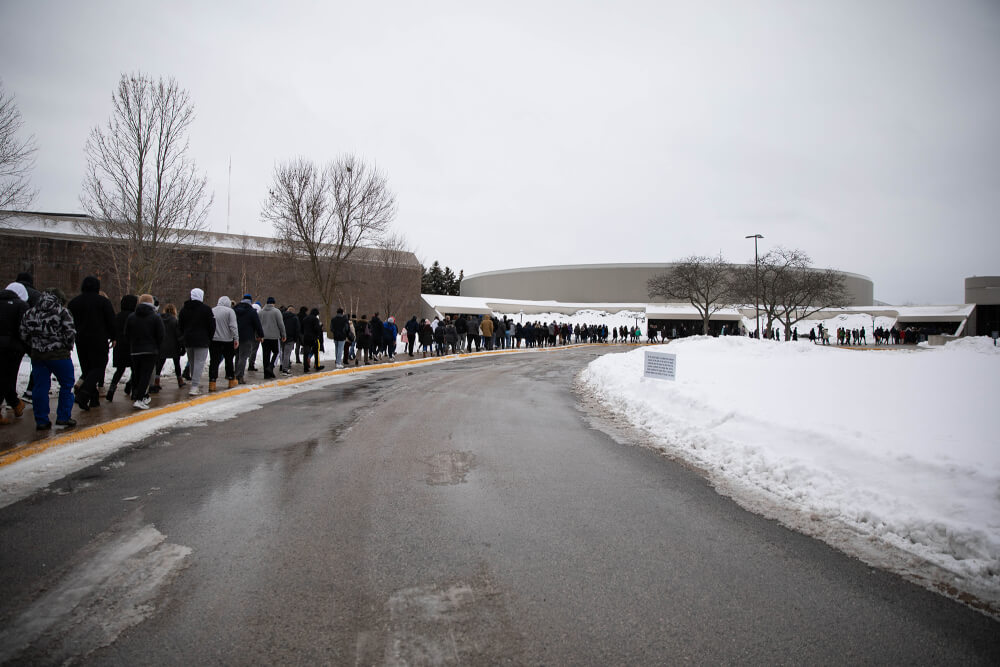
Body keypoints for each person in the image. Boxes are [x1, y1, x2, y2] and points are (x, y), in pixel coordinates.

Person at [20, 288, 77, 430]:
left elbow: (23, 333)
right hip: (59, 355)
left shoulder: (31, 312)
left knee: (40, 387)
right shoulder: (62, 312)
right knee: (66, 384)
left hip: (38, 355)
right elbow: (70, 333)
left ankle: (41, 420)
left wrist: (35, 345)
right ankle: (63, 417)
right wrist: (65, 346)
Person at [67, 275, 116, 411]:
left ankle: (93, 400)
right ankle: (84, 395)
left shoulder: (73, 303)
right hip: (99, 339)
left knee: (87, 369)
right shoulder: (103, 302)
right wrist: (113, 336)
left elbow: (69, 323)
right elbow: (111, 321)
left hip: (80, 340)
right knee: (99, 367)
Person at [125, 294, 164, 409]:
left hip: (135, 350)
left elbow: (127, 333)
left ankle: (137, 394)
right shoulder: (155, 317)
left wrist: (132, 343)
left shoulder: (132, 317)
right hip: (150, 350)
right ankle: (140, 398)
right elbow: (161, 334)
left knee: (136, 374)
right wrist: (157, 346)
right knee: (145, 375)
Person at [0, 282, 29, 424]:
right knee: (8, 378)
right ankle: (14, 403)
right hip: (13, 348)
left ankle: (15, 403)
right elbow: (24, 329)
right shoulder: (21, 306)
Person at [178, 288, 215, 396]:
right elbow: (212, 325)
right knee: (199, 363)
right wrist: (209, 337)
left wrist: (183, 336)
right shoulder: (206, 309)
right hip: (202, 340)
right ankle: (194, 386)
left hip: (188, 339)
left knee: (193, 362)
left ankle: (195, 384)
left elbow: (180, 325)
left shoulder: (184, 309)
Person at [153, 303, 184, 392]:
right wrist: (182, 345)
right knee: (177, 364)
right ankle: (180, 380)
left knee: (159, 365)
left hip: (162, 346)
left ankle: (156, 381)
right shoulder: (175, 321)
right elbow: (178, 335)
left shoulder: (159, 319)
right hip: (174, 346)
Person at [210, 296, 239, 390]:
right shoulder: (230, 311)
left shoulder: (212, 310)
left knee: (214, 361)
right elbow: (233, 326)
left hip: (214, 340)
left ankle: (212, 382)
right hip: (227, 340)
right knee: (229, 360)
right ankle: (231, 380)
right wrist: (236, 338)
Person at [234, 295, 264, 383]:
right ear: (250, 302)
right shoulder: (251, 311)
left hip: (235, 336)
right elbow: (257, 324)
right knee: (243, 357)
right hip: (247, 337)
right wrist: (260, 335)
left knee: (237, 356)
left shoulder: (235, 309)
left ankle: (235, 374)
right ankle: (240, 376)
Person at [258, 297, 286, 379]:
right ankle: (270, 367)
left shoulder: (261, 312)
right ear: (273, 303)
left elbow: (258, 325)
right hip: (274, 336)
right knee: (276, 352)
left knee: (265, 355)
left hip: (264, 337)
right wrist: (283, 335)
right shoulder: (276, 311)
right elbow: (281, 324)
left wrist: (258, 335)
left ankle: (266, 374)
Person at [280, 306, 300, 375]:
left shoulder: (282, 316)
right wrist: (295, 338)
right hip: (290, 338)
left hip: (282, 337)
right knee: (287, 354)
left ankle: (282, 365)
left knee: (283, 352)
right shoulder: (295, 318)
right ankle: (285, 369)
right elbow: (297, 329)